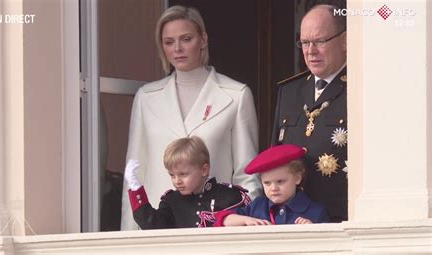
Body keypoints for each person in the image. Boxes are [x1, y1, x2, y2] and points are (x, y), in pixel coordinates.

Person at [121, 5, 261, 230]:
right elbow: (136, 171)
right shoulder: (146, 97)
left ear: (202, 39)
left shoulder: (236, 95)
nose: (177, 48)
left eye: (186, 39)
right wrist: (128, 239)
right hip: (158, 231)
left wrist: (245, 234)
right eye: (169, 42)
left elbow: (247, 176)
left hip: (216, 232)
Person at [271, 4, 347, 222]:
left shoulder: (359, 90)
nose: (310, 50)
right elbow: (274, 159)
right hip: (291, 221)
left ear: (344, 41)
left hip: (337, 219)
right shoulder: (289, 91)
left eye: (320, 41)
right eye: (305, 42)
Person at [124, 136, 251, 229]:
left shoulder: (230, 196)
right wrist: (136, 189)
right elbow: (152, 224)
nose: (177, 181)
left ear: (204, 170)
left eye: (183, 174)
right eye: (172, 175)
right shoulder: (172, 201)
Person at [214, 144, 329, 226]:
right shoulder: (258, 206)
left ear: (297, 178)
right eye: (267, 183)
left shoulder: (316, 211)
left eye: (280, 181)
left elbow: (329, 245)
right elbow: (221, 219)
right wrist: (245, 220)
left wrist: (312, 229)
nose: (273, 188)